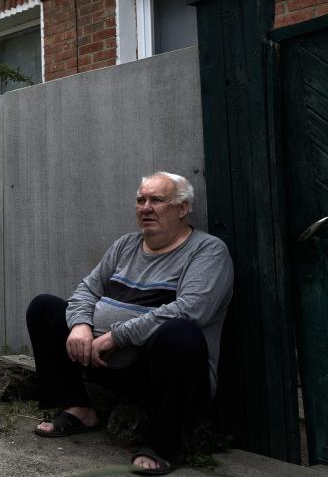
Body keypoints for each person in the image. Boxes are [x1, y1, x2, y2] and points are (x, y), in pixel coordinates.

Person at [26, 172, 233, 475]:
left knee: (180, 332)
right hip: (104, 363)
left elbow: (191, 310)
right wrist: (81, 326)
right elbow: (86, 289)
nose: (145, 208)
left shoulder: (208, 251)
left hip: (164, 376)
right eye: (141, 200)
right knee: (44, 307)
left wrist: (115, 337)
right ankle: (78, 408)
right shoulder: (126, 245)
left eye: (157, 200)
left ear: (182, 208)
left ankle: (164, 445)